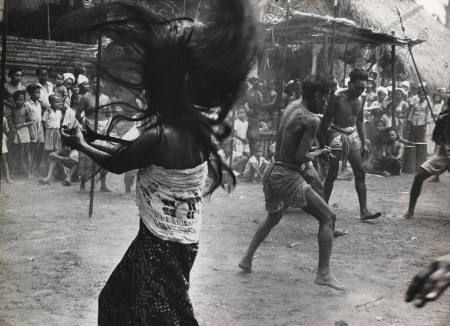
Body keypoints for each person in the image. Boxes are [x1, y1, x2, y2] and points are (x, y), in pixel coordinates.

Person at [60, 0, 256, 324]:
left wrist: (82, 144)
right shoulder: (192, 127)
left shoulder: (163, 135)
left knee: (164, 318)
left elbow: (121, 163)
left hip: (163, 244)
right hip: (170, 239)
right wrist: (90, 139)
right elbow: (128, 152)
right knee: (116, 302)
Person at [239, 76, 343, 290]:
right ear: (315, 96)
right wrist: (320, 152)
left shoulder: (292, 106)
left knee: (275, 216)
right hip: (286, 174)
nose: (324, 104)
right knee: (328, 217)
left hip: (271, 169)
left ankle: (246, 258)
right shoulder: (311, 120)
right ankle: (323, 274)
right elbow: (300, 157)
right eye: (324, 99)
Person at [322, 69, 381, 221]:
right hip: (336, 134)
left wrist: (364, 142)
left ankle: (364, 210)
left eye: (363, 88)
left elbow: (359, 121)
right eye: (358, 87)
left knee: (360, 172)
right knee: (332, 174)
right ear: (349, 84)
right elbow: (326, 121)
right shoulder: (336, 98)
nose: (360, 91)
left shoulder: (362, 98)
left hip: (353, 135)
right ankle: (321, 208)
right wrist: (324, 143)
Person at [404, 107, 450, 219]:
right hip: (444, 154)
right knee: (419, 176)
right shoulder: (443, 119)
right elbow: (435, 137)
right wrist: (445, 145)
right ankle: (410, 210)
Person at [76, 76, 112, 192]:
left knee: (103, 155)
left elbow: (109, 115)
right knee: (86, 156)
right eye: (95, 82)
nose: (97, 85)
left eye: (100, 83)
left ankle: (103, 185)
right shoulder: (85, 98)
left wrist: (107, 127)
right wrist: (85, 124)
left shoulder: (106, 98)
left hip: (103, 129)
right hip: (89, 129)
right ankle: (82, 184)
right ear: (92, 84)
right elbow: (78, 114)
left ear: (103, 85)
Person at [11, 90, 33, 177]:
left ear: (24, 100)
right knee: (16, 152)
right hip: (17, 131)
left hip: (25, 130)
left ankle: (29, 173)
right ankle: (12, 172)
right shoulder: (13, 109)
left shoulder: (25, 108)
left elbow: (32, 121)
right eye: (18, 99)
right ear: (14, 100)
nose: (19, 101)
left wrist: (22, 124)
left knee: (27, 152)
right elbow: (12, 122)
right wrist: (14, 129)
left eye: (21, 99)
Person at [25, 84, 45, 176]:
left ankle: (35, 168)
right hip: (32, 128)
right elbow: (27, 118)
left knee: (38, 149)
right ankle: (29, 171)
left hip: (39, 127)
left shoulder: (39, 103)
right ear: (30, 93)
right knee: (31, 150)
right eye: (36, 93)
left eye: (39, 93)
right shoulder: (27, 104)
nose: (39, 95)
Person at [42, 94, 63, 172]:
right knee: (49, 152)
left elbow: (59, 123)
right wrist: (45, 134)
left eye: (59, 102)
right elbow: (43, 122)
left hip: (57, 132)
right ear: (50, 102)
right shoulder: (47, 111)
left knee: (56, 151)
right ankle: (47, 170)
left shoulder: (59, 112)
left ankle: (55, 171)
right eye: (56, 102)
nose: (58, 103)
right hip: (49, 132)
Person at [2, 116, 12, 183]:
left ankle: (7, 177)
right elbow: (7, 130)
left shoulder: (4, 118)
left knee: (4, 159)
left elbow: (7, 130)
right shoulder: (4, 118)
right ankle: (6, 177)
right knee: (4, 159)